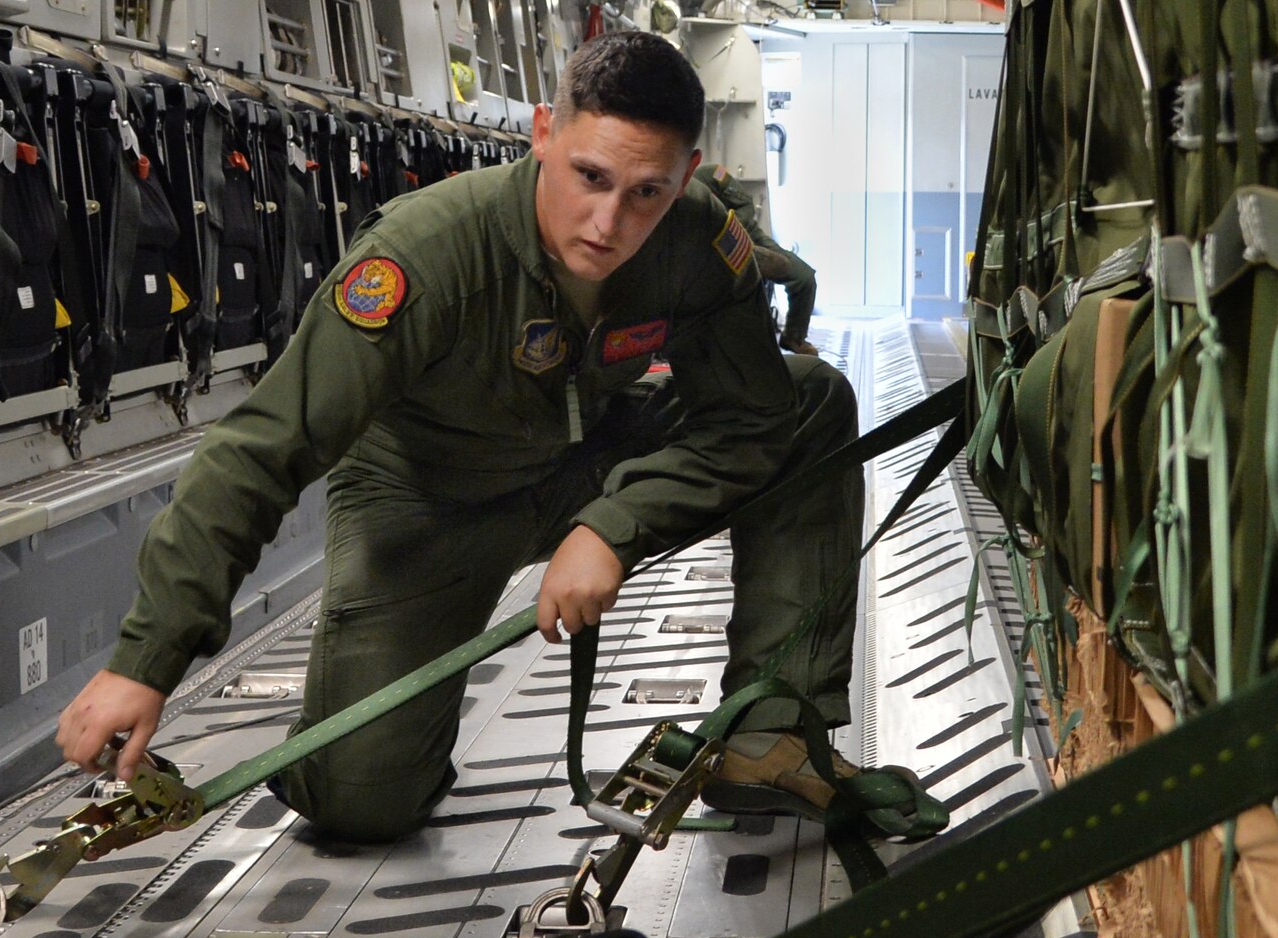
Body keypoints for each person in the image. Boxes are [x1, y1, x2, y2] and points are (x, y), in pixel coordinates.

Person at [54, 32, 937, 842]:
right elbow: (262, 447)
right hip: (429, 497)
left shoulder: (698, 244)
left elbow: (751, 420)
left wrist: (612, 526)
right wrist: (148, 658)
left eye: (646, 194)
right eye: (590, 177)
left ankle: (768, 735)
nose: (609, 223)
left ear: (687, 174)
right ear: (543, 133)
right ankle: (379, 730)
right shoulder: (427, 256)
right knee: (361, 804)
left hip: (592, 460)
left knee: (810, 397)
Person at [691, 163, 819, 356]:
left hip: (747, 235)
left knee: (804, 277)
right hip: (709, 252)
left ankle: (794, 336)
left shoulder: (713, 173)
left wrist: (729, 229)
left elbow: (744, 203)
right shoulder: (671, 197)